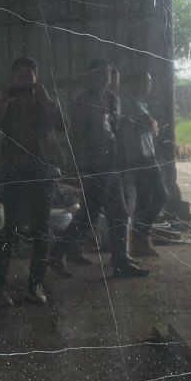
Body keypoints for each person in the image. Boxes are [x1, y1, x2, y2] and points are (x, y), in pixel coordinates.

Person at [51, 60, 148, 279]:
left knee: (94, 213)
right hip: (96, 166)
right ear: (91, 76)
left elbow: (115, 131)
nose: (104, 78)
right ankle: (119, 261)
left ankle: (59, 253)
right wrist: (82, 168)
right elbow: (77, 137)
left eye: (107, 74)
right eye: (99, 74)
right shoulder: (83, 102)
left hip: (110, 164)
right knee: (110, 213)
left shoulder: (112, 100)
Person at [0, 56, 65, 307]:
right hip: (15, 172)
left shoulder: (44, 102)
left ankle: (35, 285)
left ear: (37, 79)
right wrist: (3, 99)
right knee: (9, 230)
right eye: (20, 76)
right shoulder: (7, 102)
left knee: (42, 230)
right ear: (13, 79)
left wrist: (46, 99)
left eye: (29, 76)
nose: (25, 81)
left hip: (42, 172)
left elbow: (64, 125)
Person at [119, 71, 168, 259]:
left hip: (146, 156)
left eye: (149, 81)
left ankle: (140, 240)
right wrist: (151, 123)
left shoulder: (140, 103)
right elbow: (147, 124)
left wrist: (151, 124)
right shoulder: (129, 103)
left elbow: (148, 125)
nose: (148, 84)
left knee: (145, 200)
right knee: (160, 196)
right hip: (141, 158)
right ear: (133, 83)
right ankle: (140, 236)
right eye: (144, 81)